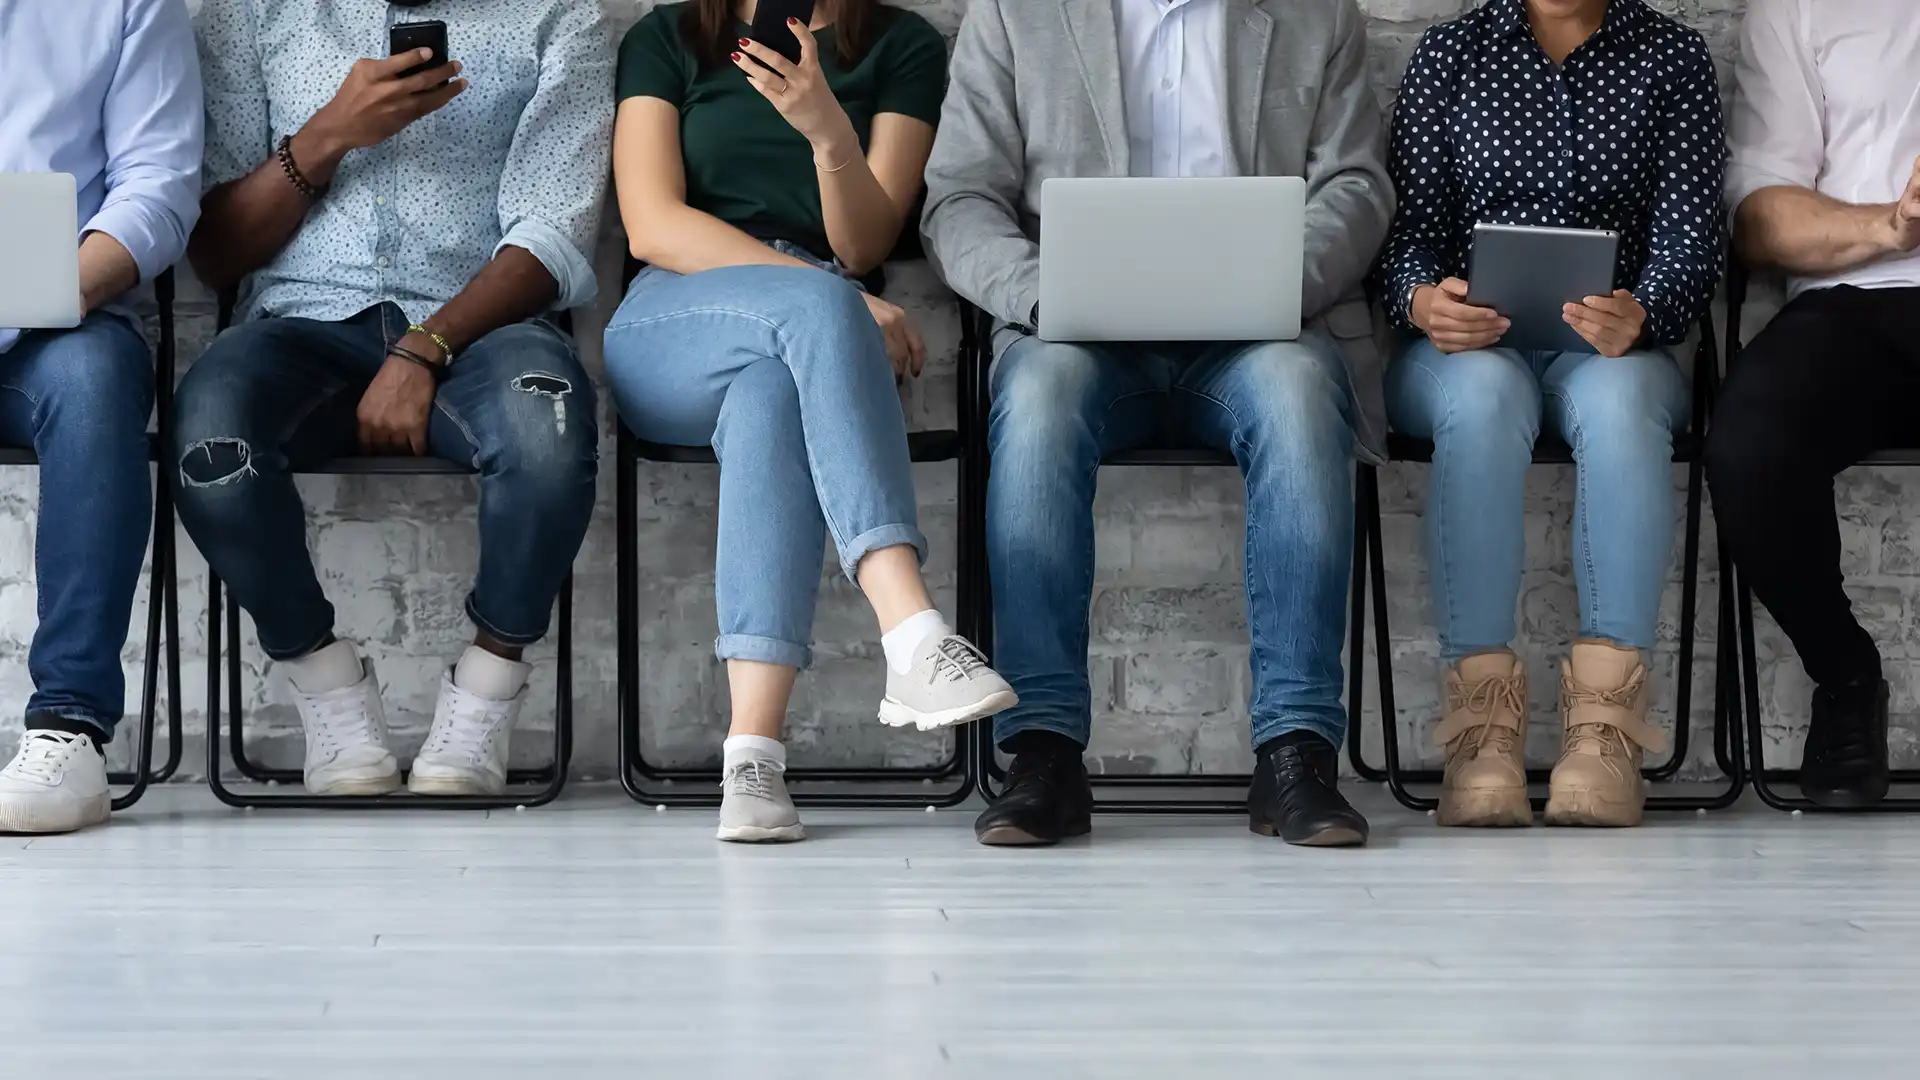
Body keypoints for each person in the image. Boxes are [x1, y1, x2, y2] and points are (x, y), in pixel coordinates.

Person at [923, 0, 1393, 847]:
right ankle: (1043, 753)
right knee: (1038, 401)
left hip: (1258, 336)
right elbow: (959, 197)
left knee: (1299, 392)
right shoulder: (1015, 13)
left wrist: (1277, 286)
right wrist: (1045, 298)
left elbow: (1355, 187)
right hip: (1079, 336)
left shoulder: (1316, 15)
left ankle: (1297, 753)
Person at [173, 0, 612, 798]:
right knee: (209, 446)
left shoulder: (559, 14)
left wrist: (424, 346)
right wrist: (327, 136)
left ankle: (485, 692)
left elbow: (552, 236)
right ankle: (328, 688)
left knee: (547, 435)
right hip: (297, 326)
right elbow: (215, 251)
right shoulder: (252, 12)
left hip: (485, 328)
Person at [601, 0, 1015, 843]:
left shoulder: (901, 46)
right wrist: (828, 297)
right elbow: (651, 224)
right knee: (819, 306)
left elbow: (861, 247)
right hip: (676, 318)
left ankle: (752, 760)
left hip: (812, 344)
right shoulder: (668, 38)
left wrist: (827, 128)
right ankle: (912, 630)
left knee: (770, 398)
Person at [1372, 0, 1725, 828]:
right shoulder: (1450, 55)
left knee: (1625, 404)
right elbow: (1404, 233)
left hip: (1610, 351)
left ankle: (1606, 733)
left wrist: (1645, 309)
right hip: (1462, 352)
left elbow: (1692, 238)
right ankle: (1481, 734)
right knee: (1485, 398)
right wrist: (1423, 300)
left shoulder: (1673, 58)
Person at [1706, 0, 1920, 809]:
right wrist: (1892, 224)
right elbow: (1759, 217)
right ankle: (1846, 675)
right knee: (1749, 448)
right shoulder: (1801, 6)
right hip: (1858, 301)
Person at [0, 0, 203, 834]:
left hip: (60, 317)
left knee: (94, 389)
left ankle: (69, 725)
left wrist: (53, 289)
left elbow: (158, 186)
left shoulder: (124, 5)